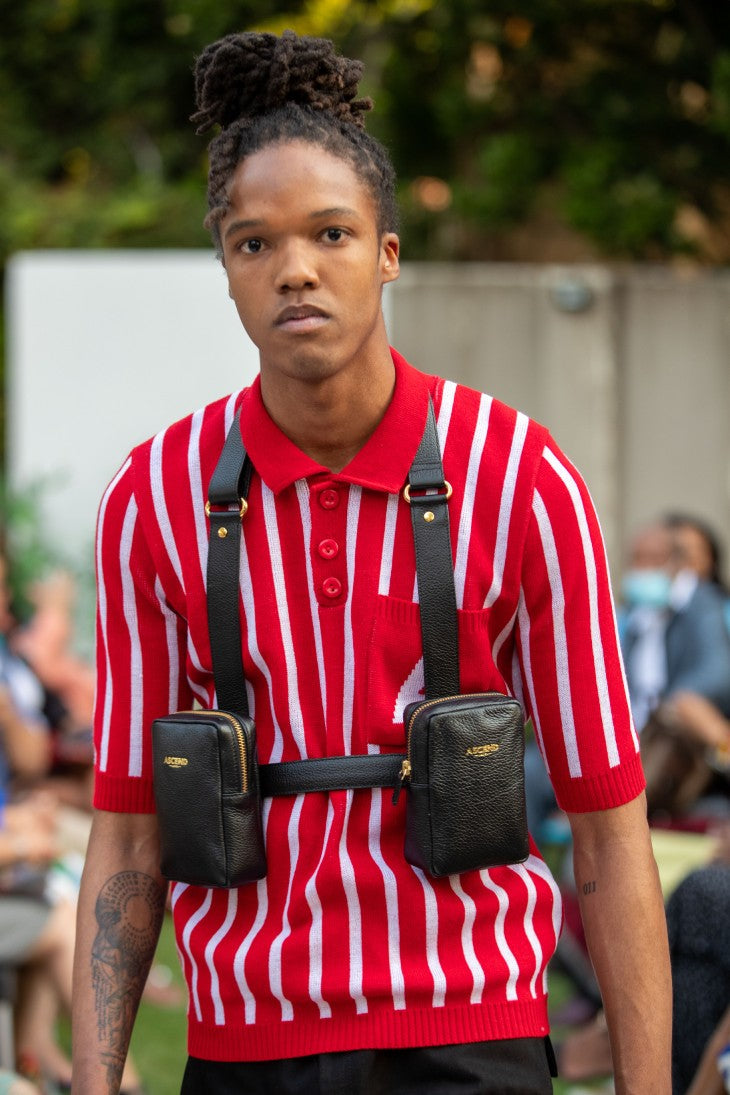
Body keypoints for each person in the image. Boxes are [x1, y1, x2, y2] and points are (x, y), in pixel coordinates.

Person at [71, 29, 671, 1094]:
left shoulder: (523, 477)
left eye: (331, 234)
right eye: (253, 244)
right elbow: (124, 838)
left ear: (387, 252)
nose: (294, 268)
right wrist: (95, 1078)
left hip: (473, 1036)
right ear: (225, 268)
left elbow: (608, 831)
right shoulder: (153, 498)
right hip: (242, 1046)